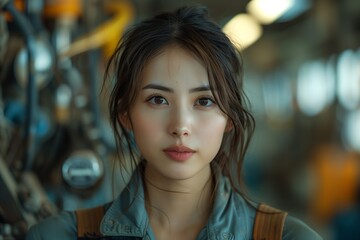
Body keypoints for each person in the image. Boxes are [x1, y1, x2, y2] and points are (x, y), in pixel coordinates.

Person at [26, 5, 322, 240]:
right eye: (157, 99)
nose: (181, 126)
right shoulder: (54, 236)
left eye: (204, 101)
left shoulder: (290, 237)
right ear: (125, 114)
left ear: (229, 117)